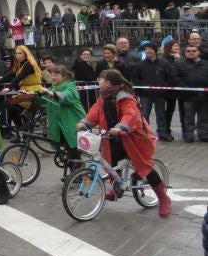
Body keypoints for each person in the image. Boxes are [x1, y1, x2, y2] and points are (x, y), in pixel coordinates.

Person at [77, 69, 171, 217]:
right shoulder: (103, 97)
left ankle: (164, 199)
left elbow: (131, 115)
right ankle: (116, 189)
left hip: (132, 138)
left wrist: (121, 127)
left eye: (100, 78)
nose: (98, 81)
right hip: (112, 136)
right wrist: (86, 122)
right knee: (110, 163)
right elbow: (96, 111)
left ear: (108, 82)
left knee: (144, 167)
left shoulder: (126, 98)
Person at [40, 65, 86, 176]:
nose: (53, 77)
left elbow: (66, 96)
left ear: (64, 76)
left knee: (73, 149)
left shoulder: (70, 87)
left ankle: (78, 174)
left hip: (72, 124)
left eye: (56, 75)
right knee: (66, 148)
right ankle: (73, 171)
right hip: (59, 125)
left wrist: (50, 93)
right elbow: (43, 99)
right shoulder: (53, 88)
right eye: (51, 75)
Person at [131, 42, 173, 141]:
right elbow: (135, 78)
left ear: (155, 50)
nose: (148, 51)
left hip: (160, 94)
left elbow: (170, 76)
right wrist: (141, 88)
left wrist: (165, 87)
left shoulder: (164, 63)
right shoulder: (140, 65)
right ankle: (145, 133)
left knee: (161, 114)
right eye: (146, 49)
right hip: (146, 95)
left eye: (150, 49)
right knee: (145, 115)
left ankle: (162, 133)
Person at [173, 45, 208, 143]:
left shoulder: (205, 64)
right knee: (188, 118)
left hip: (204, 97)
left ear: (198, 52)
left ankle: (204, 134)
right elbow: (175, 78)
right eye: (188, 51)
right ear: (185, 53)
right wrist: (185, 89)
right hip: (188, 96)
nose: (191, 52)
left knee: (204, 117)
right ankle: (189, 135)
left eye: (193, 50)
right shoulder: (179, 65)